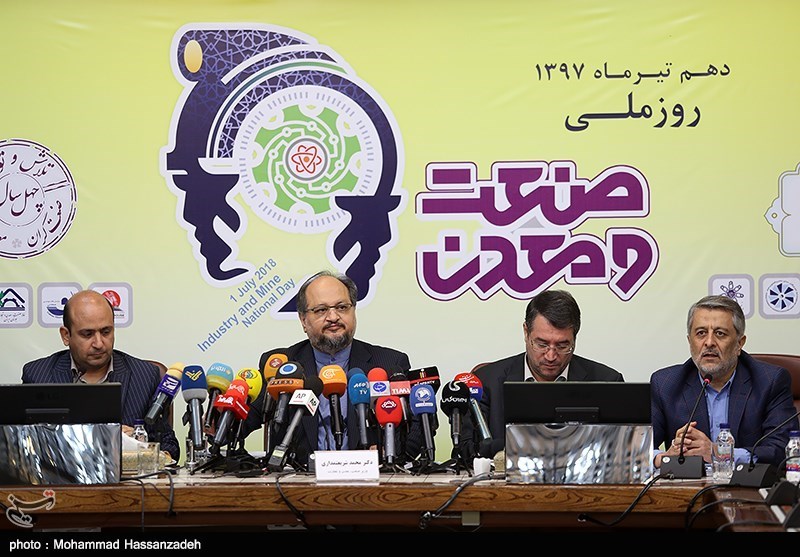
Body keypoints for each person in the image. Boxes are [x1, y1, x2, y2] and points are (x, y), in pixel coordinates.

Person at [243, 270, 431, 469]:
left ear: (353, 311)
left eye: (342, 307)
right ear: (303, 320)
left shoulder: (388, 363)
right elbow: (245, 420)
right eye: (321, 310)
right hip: (298, 479)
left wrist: (393, 455)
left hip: (370, 480)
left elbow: (419, 425)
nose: (333, 317)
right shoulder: (281, 365)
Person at [21, 290, 180, 461]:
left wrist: (137, 441)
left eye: (106, 332)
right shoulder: (38, 376)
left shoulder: (145, 376)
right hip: (63, 476)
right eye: (87, 334)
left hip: (126, 477)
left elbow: (169, 446)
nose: (99, 343)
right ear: (66, 335)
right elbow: (24, 445)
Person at [466, 289, 624, 458]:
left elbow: (620, 451)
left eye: (562, 346)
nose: (551, 356)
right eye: (542, 344)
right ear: (526, 332)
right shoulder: (486, 382)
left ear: (575, 338)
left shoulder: (608, 382)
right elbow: (468, 451)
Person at [651, 294, 798, 470]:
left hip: (746, 485)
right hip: (687, 484)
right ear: (690, 341)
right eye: (701, 333)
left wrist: (719, 453)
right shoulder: (665, 384)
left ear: (739, 343)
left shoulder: (770, 381)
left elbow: (783, 449)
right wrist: (665, 458)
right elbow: (636, 450)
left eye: (720, 333)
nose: (709, 342)